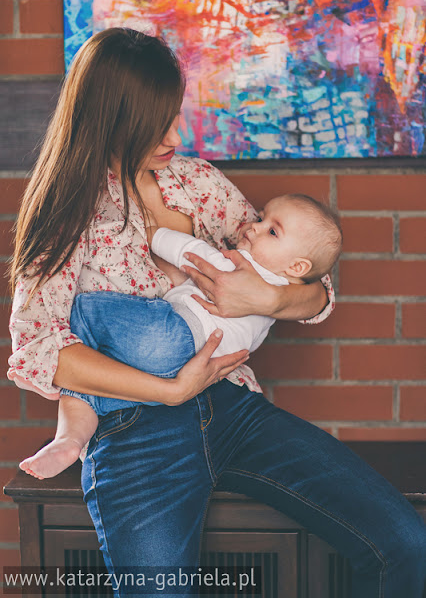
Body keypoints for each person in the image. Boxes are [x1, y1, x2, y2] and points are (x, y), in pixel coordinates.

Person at [7, 28, 426, 598]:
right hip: (136, 429)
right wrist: (170, 392)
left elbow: (309, 282)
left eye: (176, 117)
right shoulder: (64, 212)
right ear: (112, 120)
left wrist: (266, 299)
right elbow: (42, 349)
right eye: (158, 125)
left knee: (402, 541)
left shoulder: (197, 182)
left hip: (232, 406)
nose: (175, 137)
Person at [18, 193, 343, 480]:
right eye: (260, 217)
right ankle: (69, 441)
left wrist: (151, 234)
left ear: (298, 267)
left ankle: (56, 393)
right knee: (94, 386)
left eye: (272, 231)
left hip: (173, 335)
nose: (254, 226)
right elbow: (315, 293)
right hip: (194, 370)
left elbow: (193, 252)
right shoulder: (283, 294)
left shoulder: (241, 268)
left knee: (84, 310)